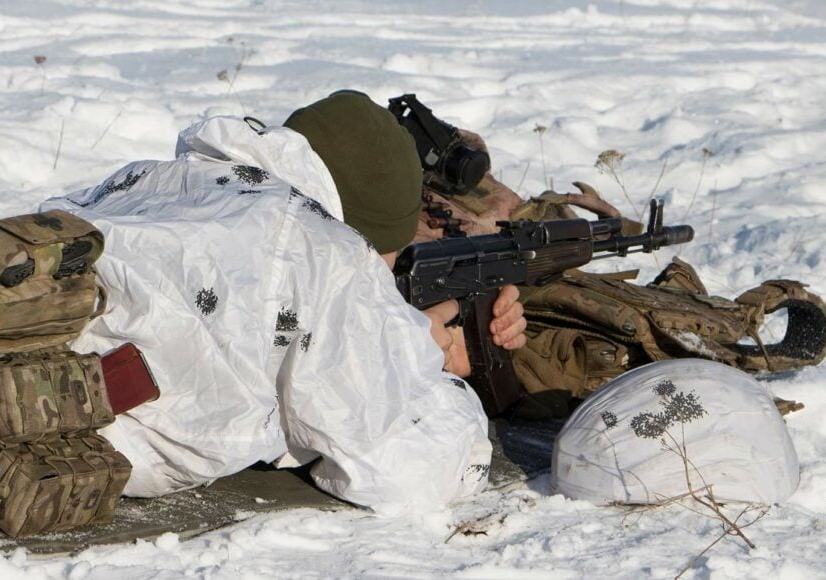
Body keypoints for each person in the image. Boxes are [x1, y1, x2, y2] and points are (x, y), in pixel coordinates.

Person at [39, 91, 526, 511]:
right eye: (388, 260)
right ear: (368, 232)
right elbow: (414, 470)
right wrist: (425, 359)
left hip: (0, 343)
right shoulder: (325, 254)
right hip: (51, 435)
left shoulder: (161, 177)